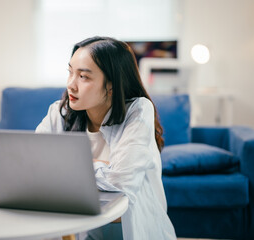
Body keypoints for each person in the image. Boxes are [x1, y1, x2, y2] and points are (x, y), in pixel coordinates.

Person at [36, 36, 176, 240]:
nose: (71, 85)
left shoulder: (137, 110)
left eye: (83, 77)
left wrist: (66, 169)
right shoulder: (59, 113)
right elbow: (33, 170)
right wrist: (100, 166)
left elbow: (120, 184)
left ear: (111, 84)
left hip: (131, 230)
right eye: (70, 72)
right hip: (83, 228)